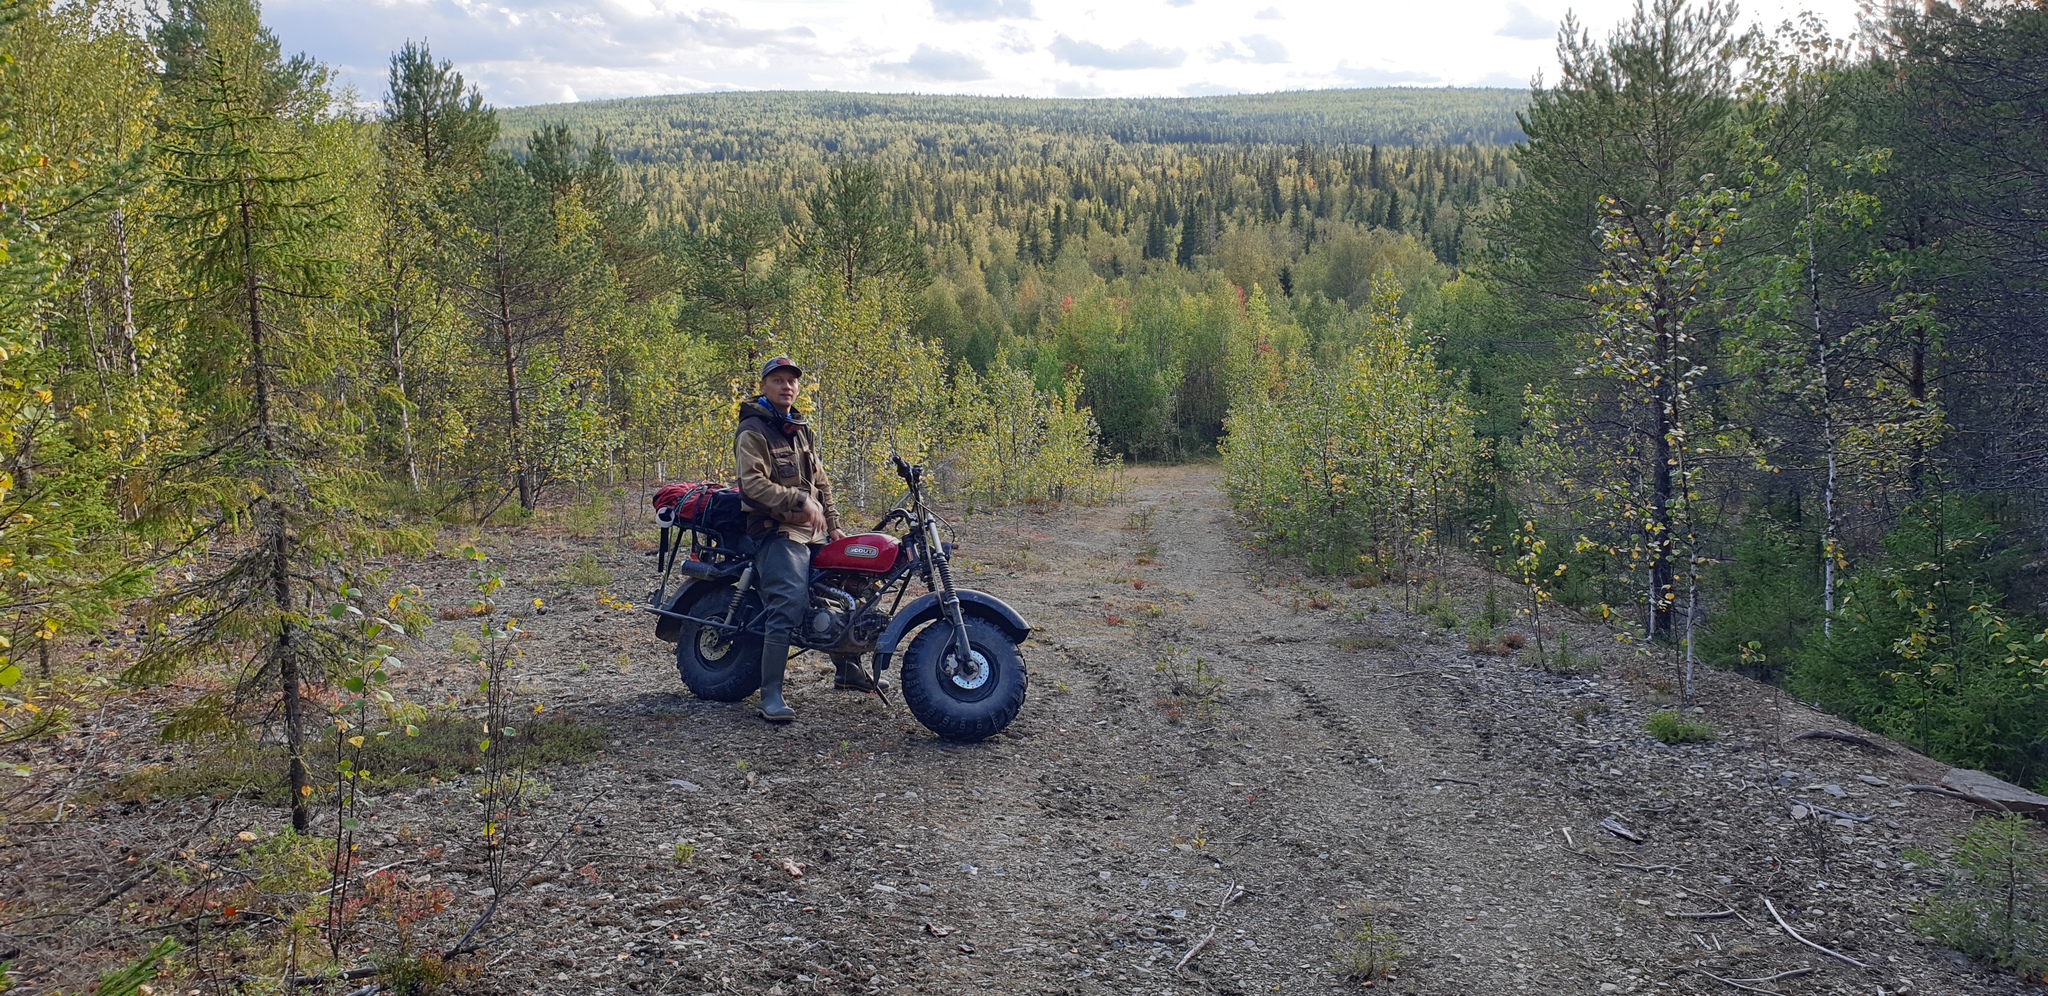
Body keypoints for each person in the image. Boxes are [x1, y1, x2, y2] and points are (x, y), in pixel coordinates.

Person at [734, 356, 873, 723]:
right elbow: (752, 485)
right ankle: (770, 695)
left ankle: (847, 671)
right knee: (789, 603)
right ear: (764, 386)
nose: (786, 386)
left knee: (849, 588)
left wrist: (834, 524)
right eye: (777, 380)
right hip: (775, 531)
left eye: (792, 381)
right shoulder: (754, 429)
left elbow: (821, 482)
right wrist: (798, 500)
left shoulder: (799, 428)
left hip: (812, 533)